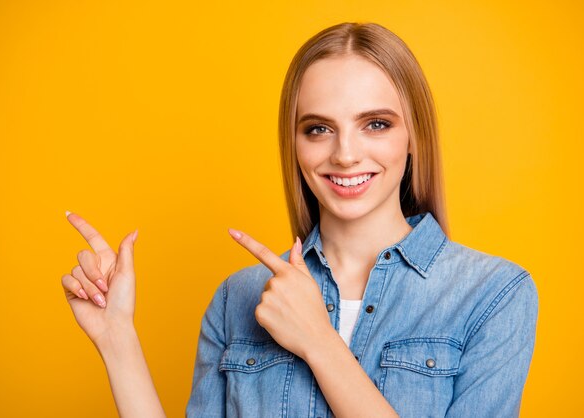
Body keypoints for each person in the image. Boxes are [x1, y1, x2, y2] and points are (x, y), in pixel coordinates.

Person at [61, 21, 538, 418]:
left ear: (414, 135)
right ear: (294, 143)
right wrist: (117, 337)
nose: (345, 154)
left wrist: (318, 341)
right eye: (318, 129)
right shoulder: (238, 298)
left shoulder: (493, 295)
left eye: (375, 124)